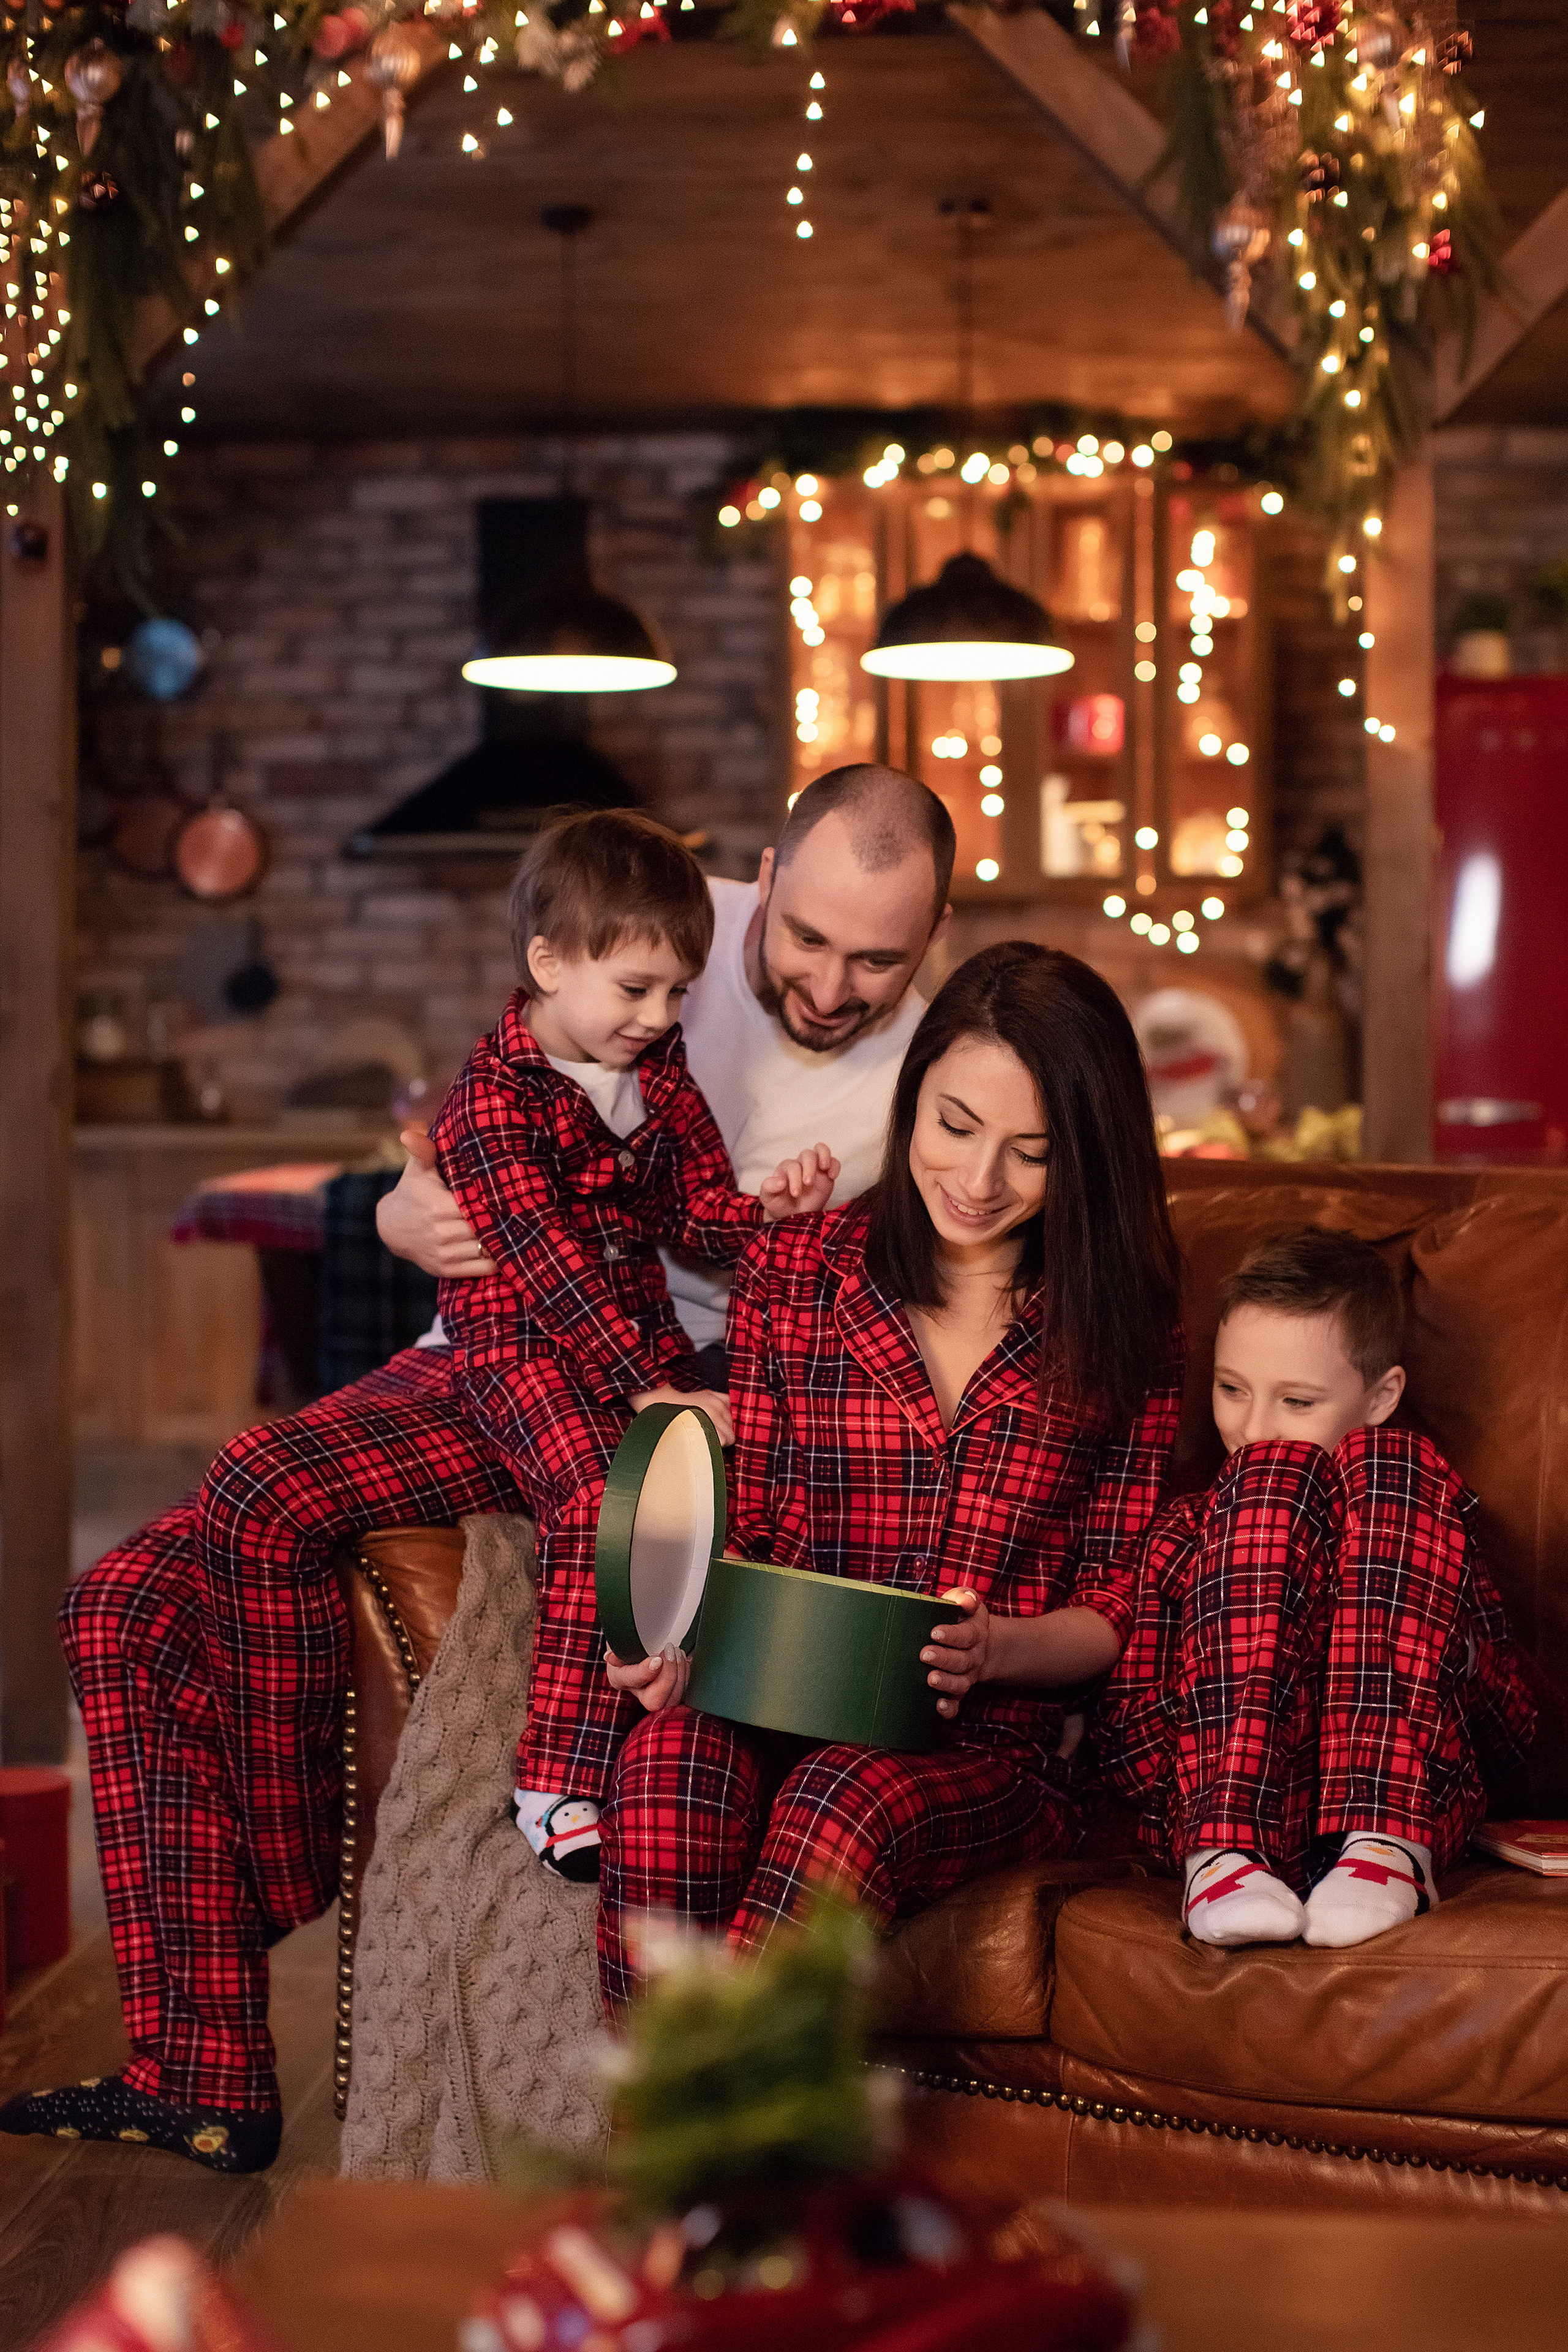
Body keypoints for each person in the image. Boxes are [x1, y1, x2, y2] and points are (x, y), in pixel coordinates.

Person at [12, 765, 953, 2171]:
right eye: (805, 937)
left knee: (261, 1501)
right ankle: (201, 2069)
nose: (827, 983)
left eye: (874, 960)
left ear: (933, 934)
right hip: (492, 1340)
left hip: (661, 1391)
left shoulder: (938, 1072)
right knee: (115, 1606)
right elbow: (486, 1113)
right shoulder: (663, 921)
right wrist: (403, 1207)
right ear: (763, 878)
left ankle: (279, 1875)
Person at [597, 940, 1186, 2011]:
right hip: (771, 1697)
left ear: (1086, 1158)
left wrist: (997, 1647)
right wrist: (665, 1636)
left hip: (987, 1752)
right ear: (913, 1100)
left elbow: (1119, 1602)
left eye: (1032, 1153)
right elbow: (748, 1527)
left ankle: (710, 2106)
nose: (979, 1182)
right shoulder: (796, 1273)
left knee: (845, 1796)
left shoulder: (1124, 1331)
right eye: (955, 1126)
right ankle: (670, 2109)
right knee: (664, 1770)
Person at [426, 808, 837, 1881]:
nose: (657, 1017)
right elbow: (549, 1266)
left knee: (715, 1494)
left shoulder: (656, 1070)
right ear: (549, 965)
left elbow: (693, 1211)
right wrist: (656, 1389)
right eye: (635, 989)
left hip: (633, 1340)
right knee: (595, 1500)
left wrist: (768, 1214)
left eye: (677, 994)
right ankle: (553, 1780)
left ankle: (682, 1730)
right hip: (520, 1344)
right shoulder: (491, 1102)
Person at [1080, 1227, 1537, 1951]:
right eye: (1230, 1389)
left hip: (1413, 1792)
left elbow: (1509, 1736)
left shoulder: (1418, 1516)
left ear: (1380, 1395)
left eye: (1296, 1401)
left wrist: (1436, 1642)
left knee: (1396, 1467)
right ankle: (1223, 1856)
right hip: (1211, 1789)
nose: (1253, 1426)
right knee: (1271, 1480)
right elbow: (1126, 1744)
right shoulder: (1188, 1525)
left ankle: (1383, 1845)